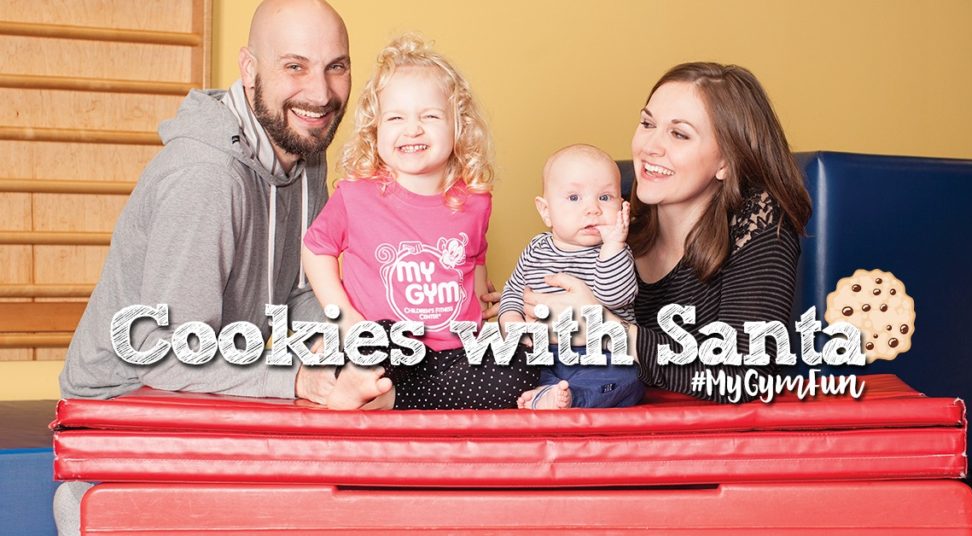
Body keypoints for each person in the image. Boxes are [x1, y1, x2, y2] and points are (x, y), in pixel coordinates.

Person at [54, 1, 353, 533]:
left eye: (336, 65)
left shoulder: (304, 148)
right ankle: (87, 508)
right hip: (123, 427)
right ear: (248, 69)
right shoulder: (206, 177)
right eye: (295, 66)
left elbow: (297, 291)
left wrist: (347, 336)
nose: (321, 92)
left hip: (207, 403)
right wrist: (299, 376)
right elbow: (162, 351)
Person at [521, 62, 812, 403]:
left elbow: (744, 374)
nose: (650, 147)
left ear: (726, 161)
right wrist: (516, 305)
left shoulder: (757, 224)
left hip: (706, 444)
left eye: (679, 134)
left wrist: (610, 330)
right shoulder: (612, 213)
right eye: (647, 124)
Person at [301, 34, 539, 410]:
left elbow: (474, 257)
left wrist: (482, 304)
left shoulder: (475, 200)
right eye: (396, 117)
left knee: (524, 366)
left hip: (453, 351)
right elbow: (316, 250)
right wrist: (346, 319)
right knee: (378, 340)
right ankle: (364, 384)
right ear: (375, 129)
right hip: (385, 345)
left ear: (458, 126)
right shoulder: (356, 195)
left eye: (429, 116)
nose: (412, 128)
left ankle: (389, 400)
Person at [499, 144, 643, 410]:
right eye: (574, 198)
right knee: (502, 365)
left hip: (599, 355)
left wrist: (613, 246)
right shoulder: (536, 248)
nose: (592, 209)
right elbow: (513, 290)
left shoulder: (614, 251)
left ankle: (571, 397)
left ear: (622, 206)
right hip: (542, 353)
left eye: (605, 197)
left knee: (627, 377)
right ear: (546, 211)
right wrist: (511, 322)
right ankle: (543, 392)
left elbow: (617, 295)